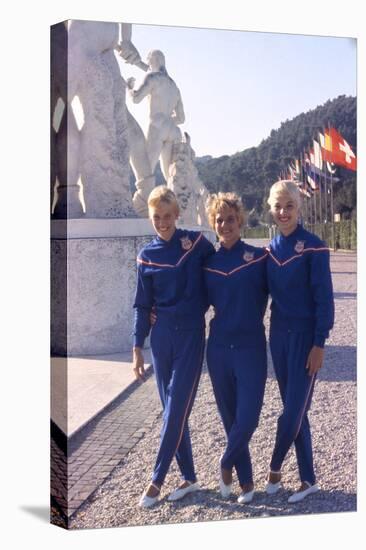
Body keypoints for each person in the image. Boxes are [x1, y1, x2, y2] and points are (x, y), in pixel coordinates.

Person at [132, 186, 215, 508]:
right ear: (150, 217)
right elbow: (141, 304)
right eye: (157, 217)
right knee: (172, 412)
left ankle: (157, 479)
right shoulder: (146, 255)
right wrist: (137, 345)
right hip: (160, 338)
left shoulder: (195, 243)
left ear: (177, 214)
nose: (163, 222)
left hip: (191, 334)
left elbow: (221, 272)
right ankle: (190, 477)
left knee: (176, 408)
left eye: (168, 216)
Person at [265, 180, 334, 503]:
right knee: (298, 410)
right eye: (278, 206)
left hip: (306, 340)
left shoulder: (314, 247)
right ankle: (308, 479)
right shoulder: (267, 252)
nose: (283, 212)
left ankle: (275, 467)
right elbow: (242, 288)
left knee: (292, 411)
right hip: (278, 338)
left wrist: (319, 343)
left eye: (289, 206)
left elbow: (324, 300)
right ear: (271, 209)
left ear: (299, 208)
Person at [203, 193, 268, 504]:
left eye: (230, 219)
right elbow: (190, 300)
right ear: (213, 224)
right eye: (219, 219)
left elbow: (286, 290)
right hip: (218, 349)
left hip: (251, 347)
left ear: (240, 221)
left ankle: (225, 461)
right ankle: (247, 483)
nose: (224, 224)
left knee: (249, 418)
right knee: (230, 419)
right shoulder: (208, 264)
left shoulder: (258, 259)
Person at [127, 50, 185, 183]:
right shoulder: (174, 86)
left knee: (146, 169)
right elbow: (181, 119)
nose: (147, 64)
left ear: (152, 60)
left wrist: (129, 88)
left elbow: (136, 99)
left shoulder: (152, 78)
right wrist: (168, 120)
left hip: (157, 125)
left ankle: (141, 202)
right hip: (172, 129)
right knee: (171, 176)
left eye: (148, 61)